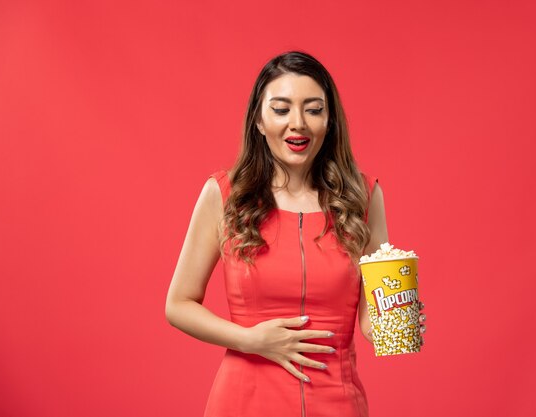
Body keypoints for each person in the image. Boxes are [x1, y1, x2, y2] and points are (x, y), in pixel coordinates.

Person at [165, 50, 426, 417]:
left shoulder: (363, 196)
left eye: (314, 109)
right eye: (281, 109)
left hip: (338, 404)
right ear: (258, 119)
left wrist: (398, 320)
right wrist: (251, 340)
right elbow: (178, 305)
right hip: (244, 402)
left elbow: (374, 324)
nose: (297, 123)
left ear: (330, 120)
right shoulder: (225, 194)